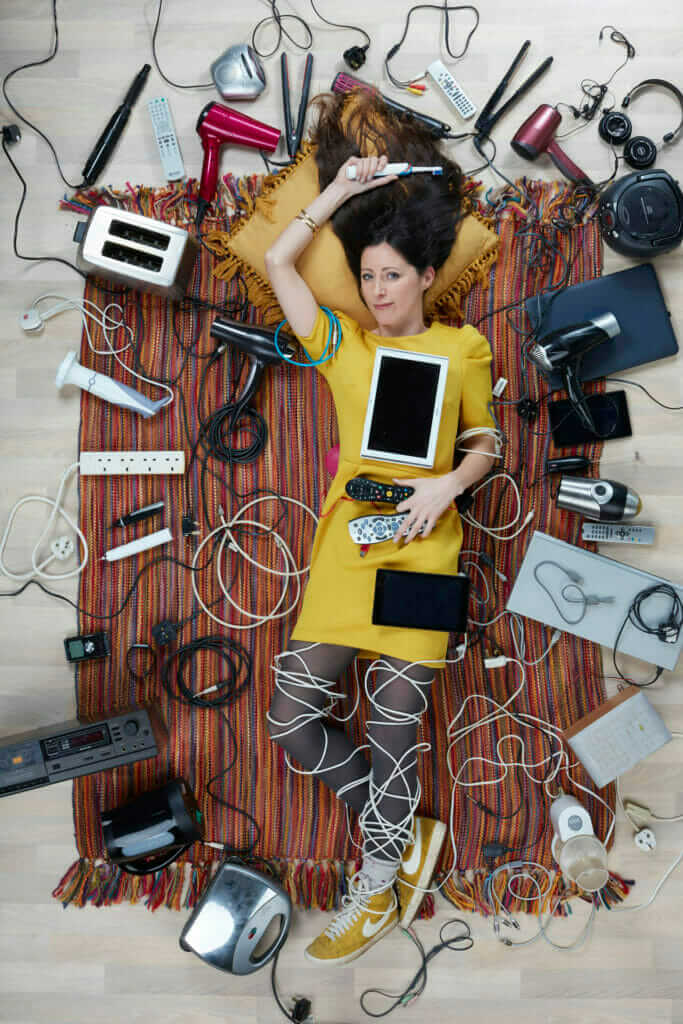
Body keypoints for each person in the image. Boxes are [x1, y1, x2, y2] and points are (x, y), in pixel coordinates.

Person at [263, 103, 497, 966]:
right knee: (290, 721)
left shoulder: (462, 349)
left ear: (426, 274)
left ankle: (377, 882)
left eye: (392, 275)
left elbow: (487, 442)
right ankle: (394, 831)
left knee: (394, 727)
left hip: (425, 550)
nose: (376, 290)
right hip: (346, 550)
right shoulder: (341, 346)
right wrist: (337, 191)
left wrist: (448, 484)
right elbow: (279, 261)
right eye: (366, 276)